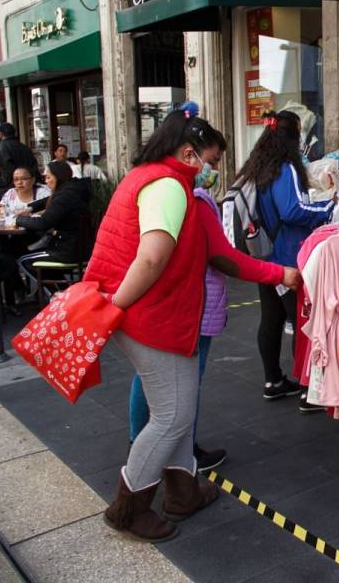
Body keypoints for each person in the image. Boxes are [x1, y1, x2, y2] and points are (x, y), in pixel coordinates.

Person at [82, 106, 228, 542]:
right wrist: (115, 307)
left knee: (177, 410)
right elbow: (151, 257)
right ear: (188, 153)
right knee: (172, 415)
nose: (212, 171)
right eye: (212, 161)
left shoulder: (147, 176)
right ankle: (128, 510)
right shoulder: (168, 187)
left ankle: (184, 492)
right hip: (153, 314)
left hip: (158, 313)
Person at [129, 171, 301, 472]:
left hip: (161, 300)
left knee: (149, 377)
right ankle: (181, 459)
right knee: (185, 386)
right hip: (195, 302)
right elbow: (221, 254)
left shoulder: (148, 189)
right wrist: (276, 273)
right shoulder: (194, 199)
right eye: (211, 158)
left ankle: (140, 442)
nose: (213, 169)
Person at [235, 110, 334, 404]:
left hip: (263, 253)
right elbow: (292, 211)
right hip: (288, 255)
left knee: (271, 319)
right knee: (301, 321)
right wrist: (328, 209)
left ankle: (273, 379)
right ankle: (308, 390)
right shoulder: (285, 168)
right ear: (293, 136)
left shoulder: (257, 165)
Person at [15, 161, 90, 294]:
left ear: (58, 177)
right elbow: (49, 200)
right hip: (78, 247)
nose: (46, 181)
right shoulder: (74, 189)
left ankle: (57, 295)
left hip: (65, 251)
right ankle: (65, 292)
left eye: (48, 177)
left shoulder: (64, 197)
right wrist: (31, 208)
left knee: (24, 260)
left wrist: (18, 220)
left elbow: (43, 223)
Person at [0, 123, 41, 193]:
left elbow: (8, 168)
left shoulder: (1, 148)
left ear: (1, 135)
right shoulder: (25, 147)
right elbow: (34, 166)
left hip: (9, 188)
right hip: (29, 186)